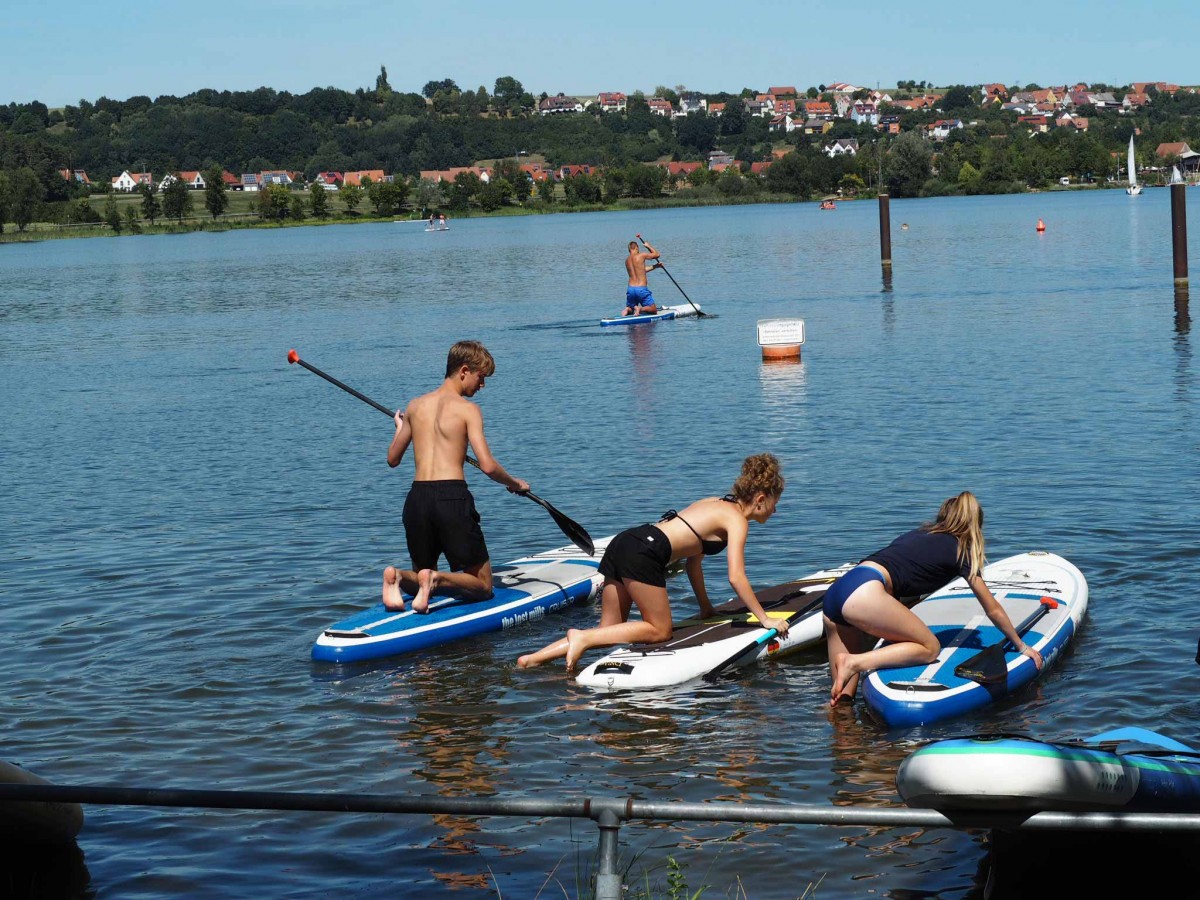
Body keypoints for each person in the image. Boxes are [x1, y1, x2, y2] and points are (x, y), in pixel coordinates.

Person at [517, 453, 787, 671]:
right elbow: (736, 576)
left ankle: (531, 660)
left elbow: (693, 564)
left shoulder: (715, 503)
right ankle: (581, 637)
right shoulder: (737, 521)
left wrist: (706, 608)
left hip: (626, 541)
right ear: (761, 499)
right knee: (660, 631)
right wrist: (764, 619)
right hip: (645, 552)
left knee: (608, 632)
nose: (776, 510)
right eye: (776, 503)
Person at [823, 491, 1044, 706]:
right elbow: (992, 608)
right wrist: (1021, 646)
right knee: (930, 648)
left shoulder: (917, 534)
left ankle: (840, 721)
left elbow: (901, 577)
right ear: (975, 525)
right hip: (865, 591)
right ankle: (854, 662)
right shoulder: (961, 550)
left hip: (840, 589)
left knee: (841, 700)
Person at [382, 341, 529, 613]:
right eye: (481, 377)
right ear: (464, 371)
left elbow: (393, 459)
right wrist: (514, 483)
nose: (482, 385)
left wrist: (400, 427)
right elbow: (487, 466)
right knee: (483, 585)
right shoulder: (468, 410)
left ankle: (398, 577)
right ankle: (435, 579)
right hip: (451, 498)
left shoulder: (415, 406)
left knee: (420, 574)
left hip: (417, 500)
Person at [623, 238, 661, 315]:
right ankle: (640, 308)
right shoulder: (641, 255)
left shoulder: (627, 260)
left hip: (631, 289)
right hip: (641, 289)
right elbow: (657, 255)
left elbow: (640, 270)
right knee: (653, 310)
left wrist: (655, 266)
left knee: (631, 309)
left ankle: (627, 309)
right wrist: (648, 246)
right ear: (637, 248)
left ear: (629, 250)